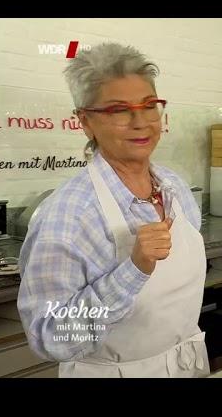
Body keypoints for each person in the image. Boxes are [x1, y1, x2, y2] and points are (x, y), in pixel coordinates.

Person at [18, 43, 209, 378]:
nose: (141, 123)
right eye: (119, 110)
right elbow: (49, 337)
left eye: (150, 106)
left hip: (185, 366)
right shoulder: (67, 214)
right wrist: (133, 270)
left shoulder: (175, 187)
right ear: (86, 122)